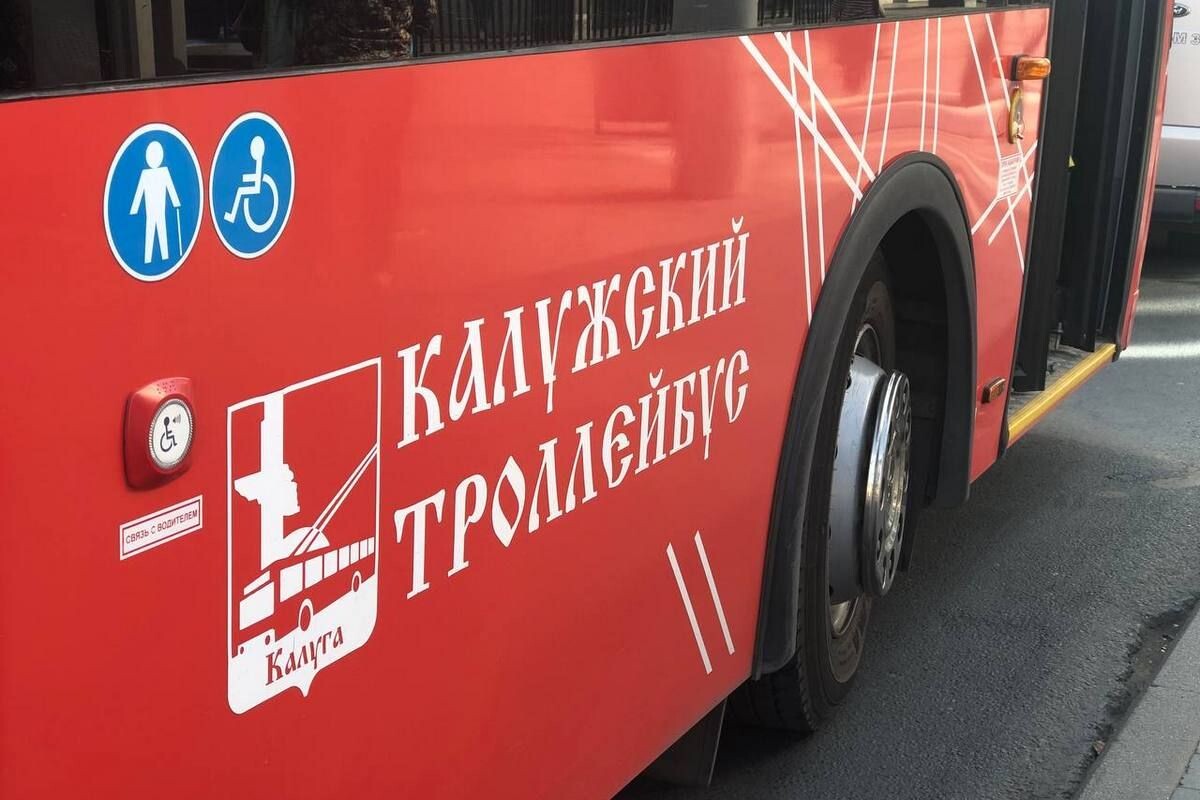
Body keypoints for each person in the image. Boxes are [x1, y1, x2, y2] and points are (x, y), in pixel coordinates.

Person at [130, 141, 181, 264]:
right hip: (150, 211)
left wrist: (176, 202)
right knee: (150, 232)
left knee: (162, 232)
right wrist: (134, 208)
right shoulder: (145, 174)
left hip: (161, 211)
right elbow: (139, 192)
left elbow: (170, 188)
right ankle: (148, 258)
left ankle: (164, 256)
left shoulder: (164, 172)